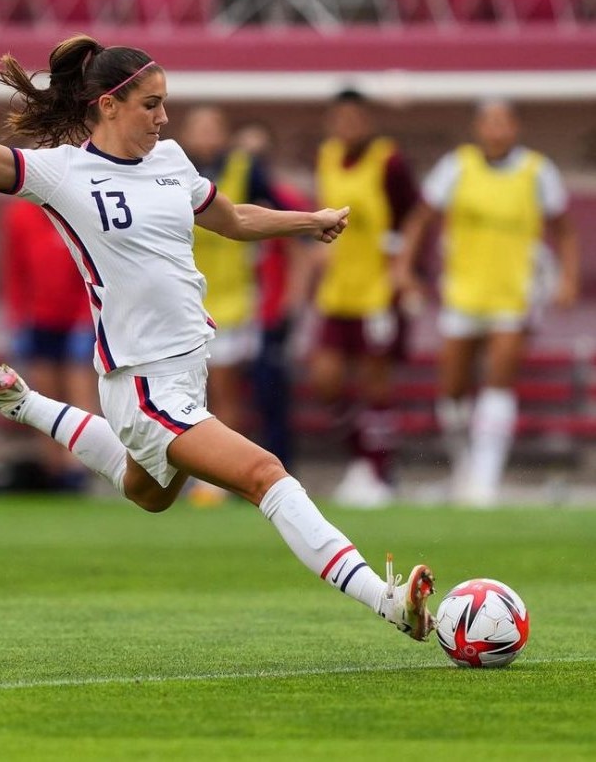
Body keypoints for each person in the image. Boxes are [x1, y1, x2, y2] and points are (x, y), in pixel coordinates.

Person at [0, 11, 436, 643]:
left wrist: (307, 221)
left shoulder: (174, 161)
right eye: (152, 105)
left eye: (166, 104)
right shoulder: (61, 173)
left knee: (149, 493)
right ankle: (386, 600)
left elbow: (233, 219)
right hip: (140, 384)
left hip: (189, 369)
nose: (164, 118)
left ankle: (22, 401)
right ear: (110, 105)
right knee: (265, 474)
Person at [395, 99, 579, 506]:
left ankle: (485, 478)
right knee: (453, 389)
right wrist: (405, 268)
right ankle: (465, 466)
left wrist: (567, 276)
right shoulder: (457, 166)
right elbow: (420, 219)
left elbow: (563, 230)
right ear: (478, 128)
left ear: (515, 127)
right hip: (462, 291)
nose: (496, 130)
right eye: (489, 122)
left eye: (504, 122)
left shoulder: (537, 171)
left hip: (514, 292)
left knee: (499, 378)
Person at [309, 89, 420, 507]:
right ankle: (362, 458)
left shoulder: (388, 160)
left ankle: (378, 472)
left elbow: (416, 215)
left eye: (355, 118)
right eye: (340, 118)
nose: (347, 126)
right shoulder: (326, 157)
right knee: (325, 379)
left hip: (378, 291)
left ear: (367, 120)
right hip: (338, 289)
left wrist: (403, 267)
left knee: (376, 384)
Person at [177, 106, 285, 503]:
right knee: (187, 392)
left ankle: (219, 479)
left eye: (213, 128)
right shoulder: (173, 171)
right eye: (198, 128)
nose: (206, 135)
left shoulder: (244, 168)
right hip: (184, 300)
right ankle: (193, 471)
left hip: (233, 300)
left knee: (224, 390)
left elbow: (275, 209)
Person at [233, 120, 314, 471]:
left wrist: (291, 302)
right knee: (232, 392)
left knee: (270, 390)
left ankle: (277, 464)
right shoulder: (225, 200)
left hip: (271, 310)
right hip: (233, 307)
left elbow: (304, 254)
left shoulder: (283, 200)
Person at [2, 197, 98, 492]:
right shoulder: (20, 214)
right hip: (40, 318)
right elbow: (15, 269)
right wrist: (18, 319)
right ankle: (54, 467)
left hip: (78, 317)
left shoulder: (78, 210)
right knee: (45, 397)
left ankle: (81, 467)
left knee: (80, 390)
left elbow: (92, 269)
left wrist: (87, 319)